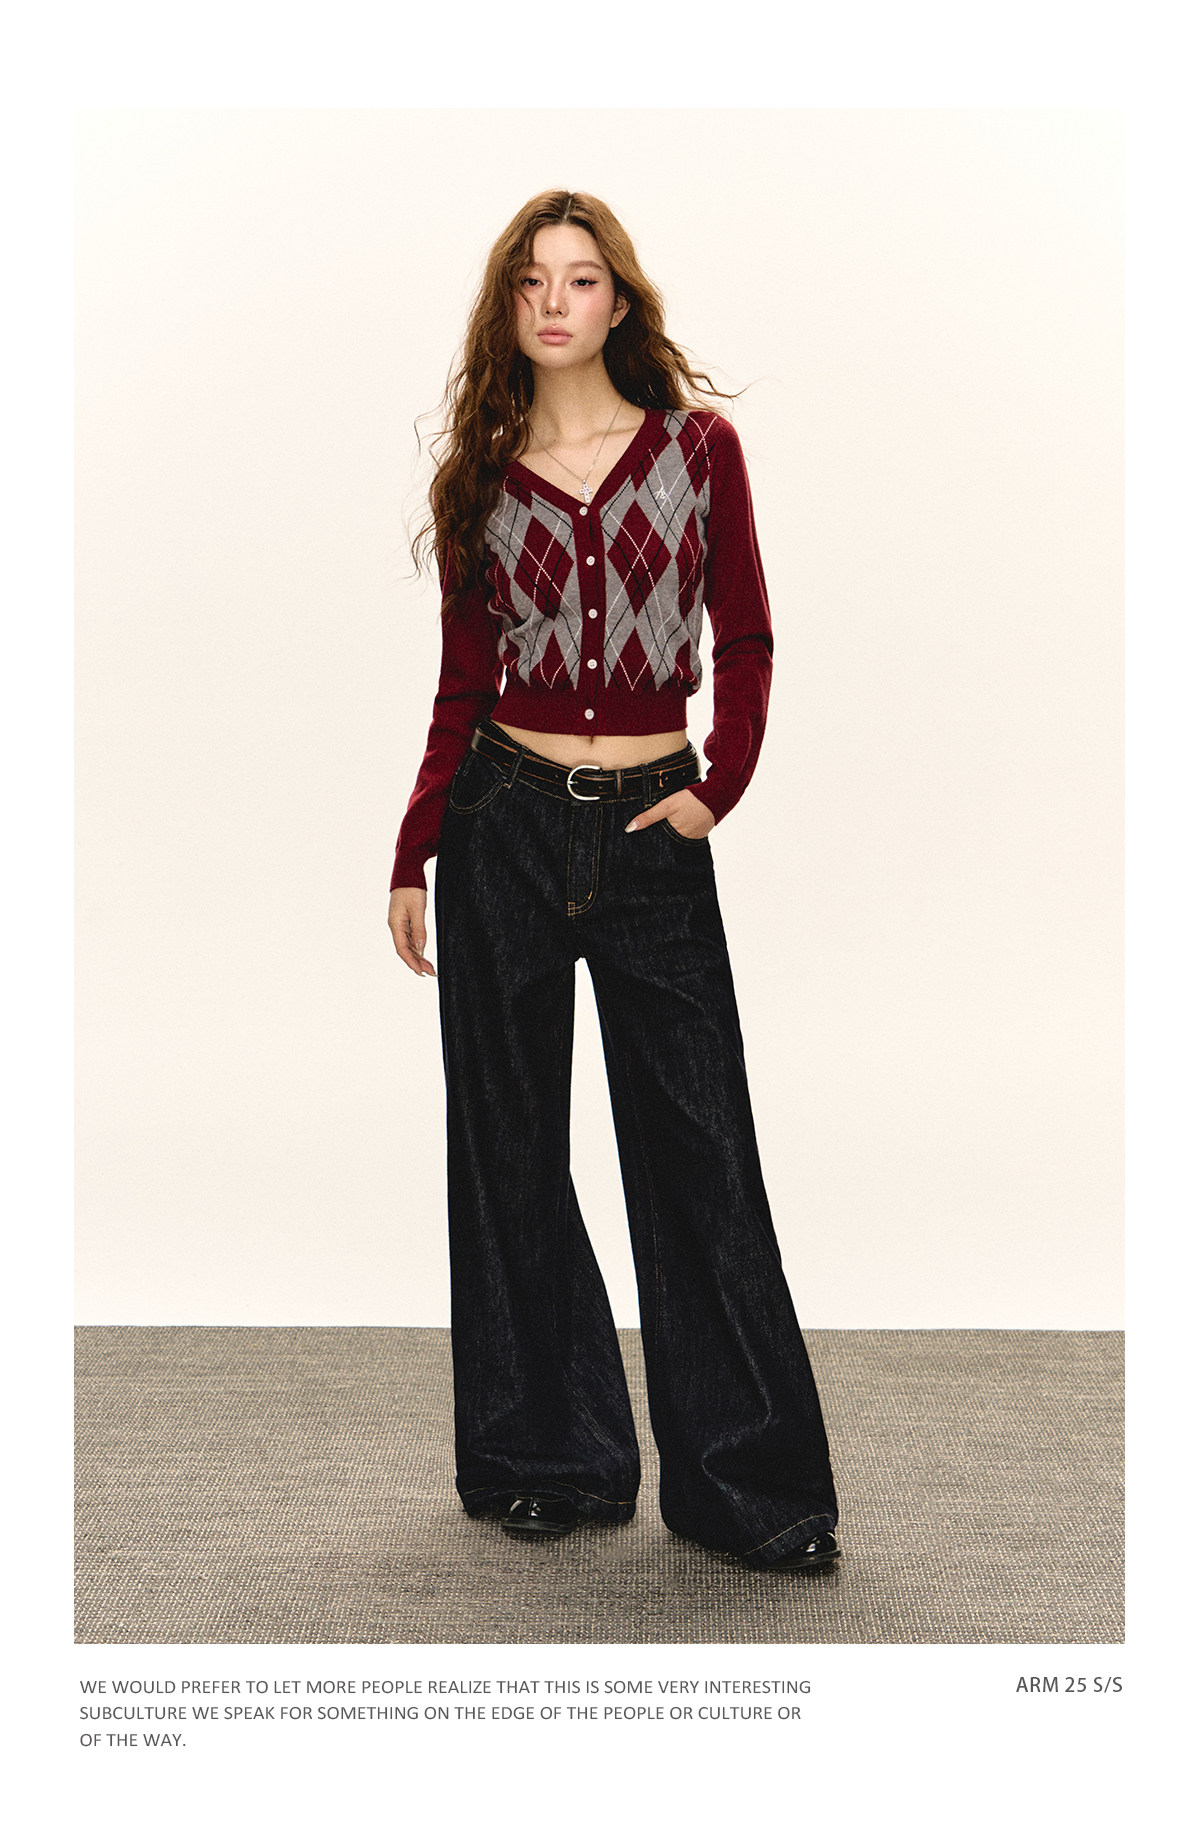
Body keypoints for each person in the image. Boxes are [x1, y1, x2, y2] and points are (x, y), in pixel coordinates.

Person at [388, 189, 841, 1571]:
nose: (554, 301)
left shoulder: (698, 452)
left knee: (701, 1149)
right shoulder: (482, 476)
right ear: (506, 307)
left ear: (619, 302)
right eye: (531, 280)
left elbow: (746, 637)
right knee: (510, 1149)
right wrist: (416, 846)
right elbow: (463, 685)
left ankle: (749, 1487)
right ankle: (548, 1458)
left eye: (580, 279)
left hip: (654, 832)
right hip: (504, 825)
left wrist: (716, 789)